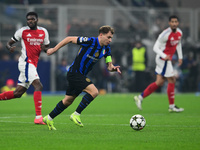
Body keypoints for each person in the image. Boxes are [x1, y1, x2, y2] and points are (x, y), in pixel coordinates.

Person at [43, 25, 121, 130]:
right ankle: (76, 114)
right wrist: (53, 49)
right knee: (94, 92)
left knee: (68, 101)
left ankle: (49, 118)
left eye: (111, 38)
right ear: (101, 35)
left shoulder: (106, 49)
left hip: (80, 75)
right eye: (108, 37)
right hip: (74, 73)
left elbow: (109, 66)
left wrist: (113, 69)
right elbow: (69, 39)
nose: (110, 40)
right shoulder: (89, 41)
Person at [0, 12, 50, 124]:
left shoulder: (43, 31)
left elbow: (46, 47)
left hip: (33, 64)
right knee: (38, 86)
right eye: (28, 19)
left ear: (37, 20)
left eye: (32, 19)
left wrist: (48, 50)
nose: (30, 21)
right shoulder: (22, 31)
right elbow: (9, 43)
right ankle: (38, 117)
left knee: (18, 93)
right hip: (26, 62)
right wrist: (10, 48)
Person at [134, 15, 184, 112]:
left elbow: (178, 44)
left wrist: (180, 57)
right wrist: (164, 55)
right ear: (169, 23)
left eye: (175, 22)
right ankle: (172, 106)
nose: (174, 23)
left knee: (159, 82)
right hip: (163, 59)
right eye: (172, 22)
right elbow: (155, 48)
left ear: (178, 23)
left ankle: (140, 97)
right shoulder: (164, 34)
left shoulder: (179, 32)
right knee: (172, 79)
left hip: (165, 59)